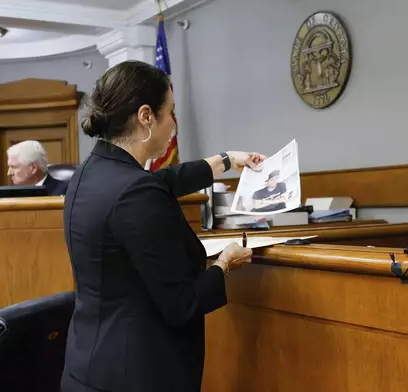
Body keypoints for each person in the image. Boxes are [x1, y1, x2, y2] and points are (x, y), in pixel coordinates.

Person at [60, 60, 266, 392]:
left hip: (88, 365)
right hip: (138, 373)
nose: (173, 124)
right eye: (170, 112)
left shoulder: (89, 173)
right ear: (146, 117)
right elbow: (182, 305)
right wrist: (225, 263)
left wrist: (226, 159)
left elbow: (159, 181)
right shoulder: (135, 192)